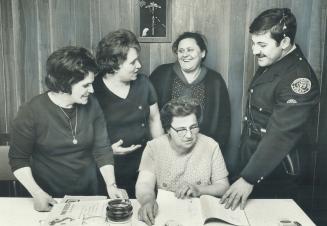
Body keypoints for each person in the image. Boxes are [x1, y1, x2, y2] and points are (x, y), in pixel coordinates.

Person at [221, 8, 320, 210]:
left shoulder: (299, 79)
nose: (255, 51)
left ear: (284, 43)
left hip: (278, 171)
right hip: (255, 160)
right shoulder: (275, 59)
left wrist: (249, 178)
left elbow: (280, 135)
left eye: (262, 44)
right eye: (253, 43)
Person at [9, 46, 124, 212]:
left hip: (89, 195)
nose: (91, 90)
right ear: (65, 84)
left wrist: (111, 185)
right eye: (86, 85)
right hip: (48, 197)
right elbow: (18, 159)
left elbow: (102, 150)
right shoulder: (31, 111)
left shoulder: (92, 104)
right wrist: (37, 193)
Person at [136, 98, 229, 225]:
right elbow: (144, 184)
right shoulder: (154, 147)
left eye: (193, 127)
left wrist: (199, 190)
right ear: (168, 129)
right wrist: (147, 201)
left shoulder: (211, 146)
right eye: (181, 130)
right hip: (166, 214)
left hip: (199, 215)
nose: (189, 135)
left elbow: (223, 186)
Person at [94, 29, 164, 198]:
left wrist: (162, 155)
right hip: (105, 169)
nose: (139, 65)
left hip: (143, 167)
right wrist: (107, 152)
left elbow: (155, 119)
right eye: (133, 62)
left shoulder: (144, 83)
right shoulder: (92, 90)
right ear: (114, 64)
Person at [150, 32, 231, 153]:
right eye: (181, 51)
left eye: (190, 50)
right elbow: (150, 114)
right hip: (167, 148)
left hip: (202, 151)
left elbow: (224, 121)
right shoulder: (161, 74)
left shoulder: (215, 80)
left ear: (202, 53)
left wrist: (215, 150)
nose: (185, 55)